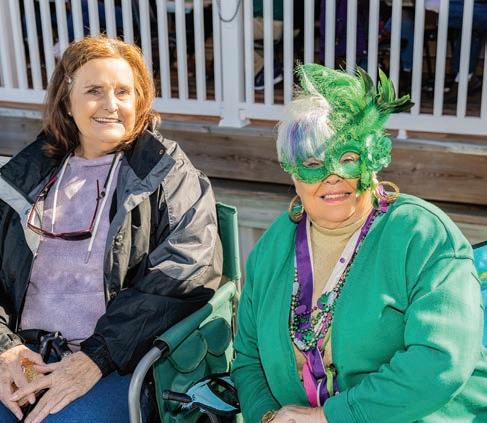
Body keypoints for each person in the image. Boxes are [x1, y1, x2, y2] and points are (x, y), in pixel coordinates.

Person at [231, 64, 487, 422]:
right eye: (313, 163)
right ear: (292, 172)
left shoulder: (422, 235)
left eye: (348, 158)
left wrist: (329, 416)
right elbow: (247, 358)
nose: (332, 176)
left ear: (373, 159)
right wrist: (268, 417)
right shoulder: (273, 246)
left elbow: (441, 361)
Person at [0, 36, 222, 422]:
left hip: (118, 362)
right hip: (28, 357)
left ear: (140, 102)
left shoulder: (167, 173)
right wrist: (6, 349)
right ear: (66, 102)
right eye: (94, 91)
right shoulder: (27, 175)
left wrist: (96, 357)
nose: (111, 104)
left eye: (123, 92)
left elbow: (183, 274)